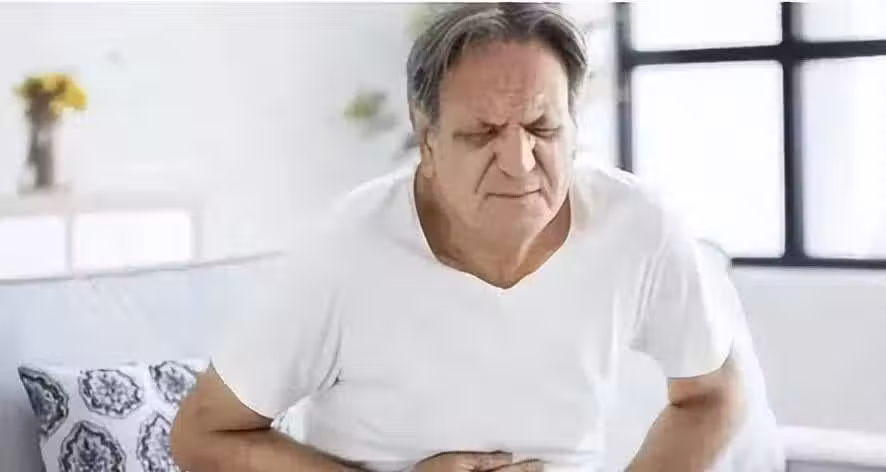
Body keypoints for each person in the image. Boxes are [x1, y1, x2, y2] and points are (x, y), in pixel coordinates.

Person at [170, 3, 745, 471]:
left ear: (574, 127)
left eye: (542, 128)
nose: (519, 163)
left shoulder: (638, 225)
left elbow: (712, 395)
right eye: (482, 134)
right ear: (427, 142)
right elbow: (202, 433)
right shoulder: (344, 252)